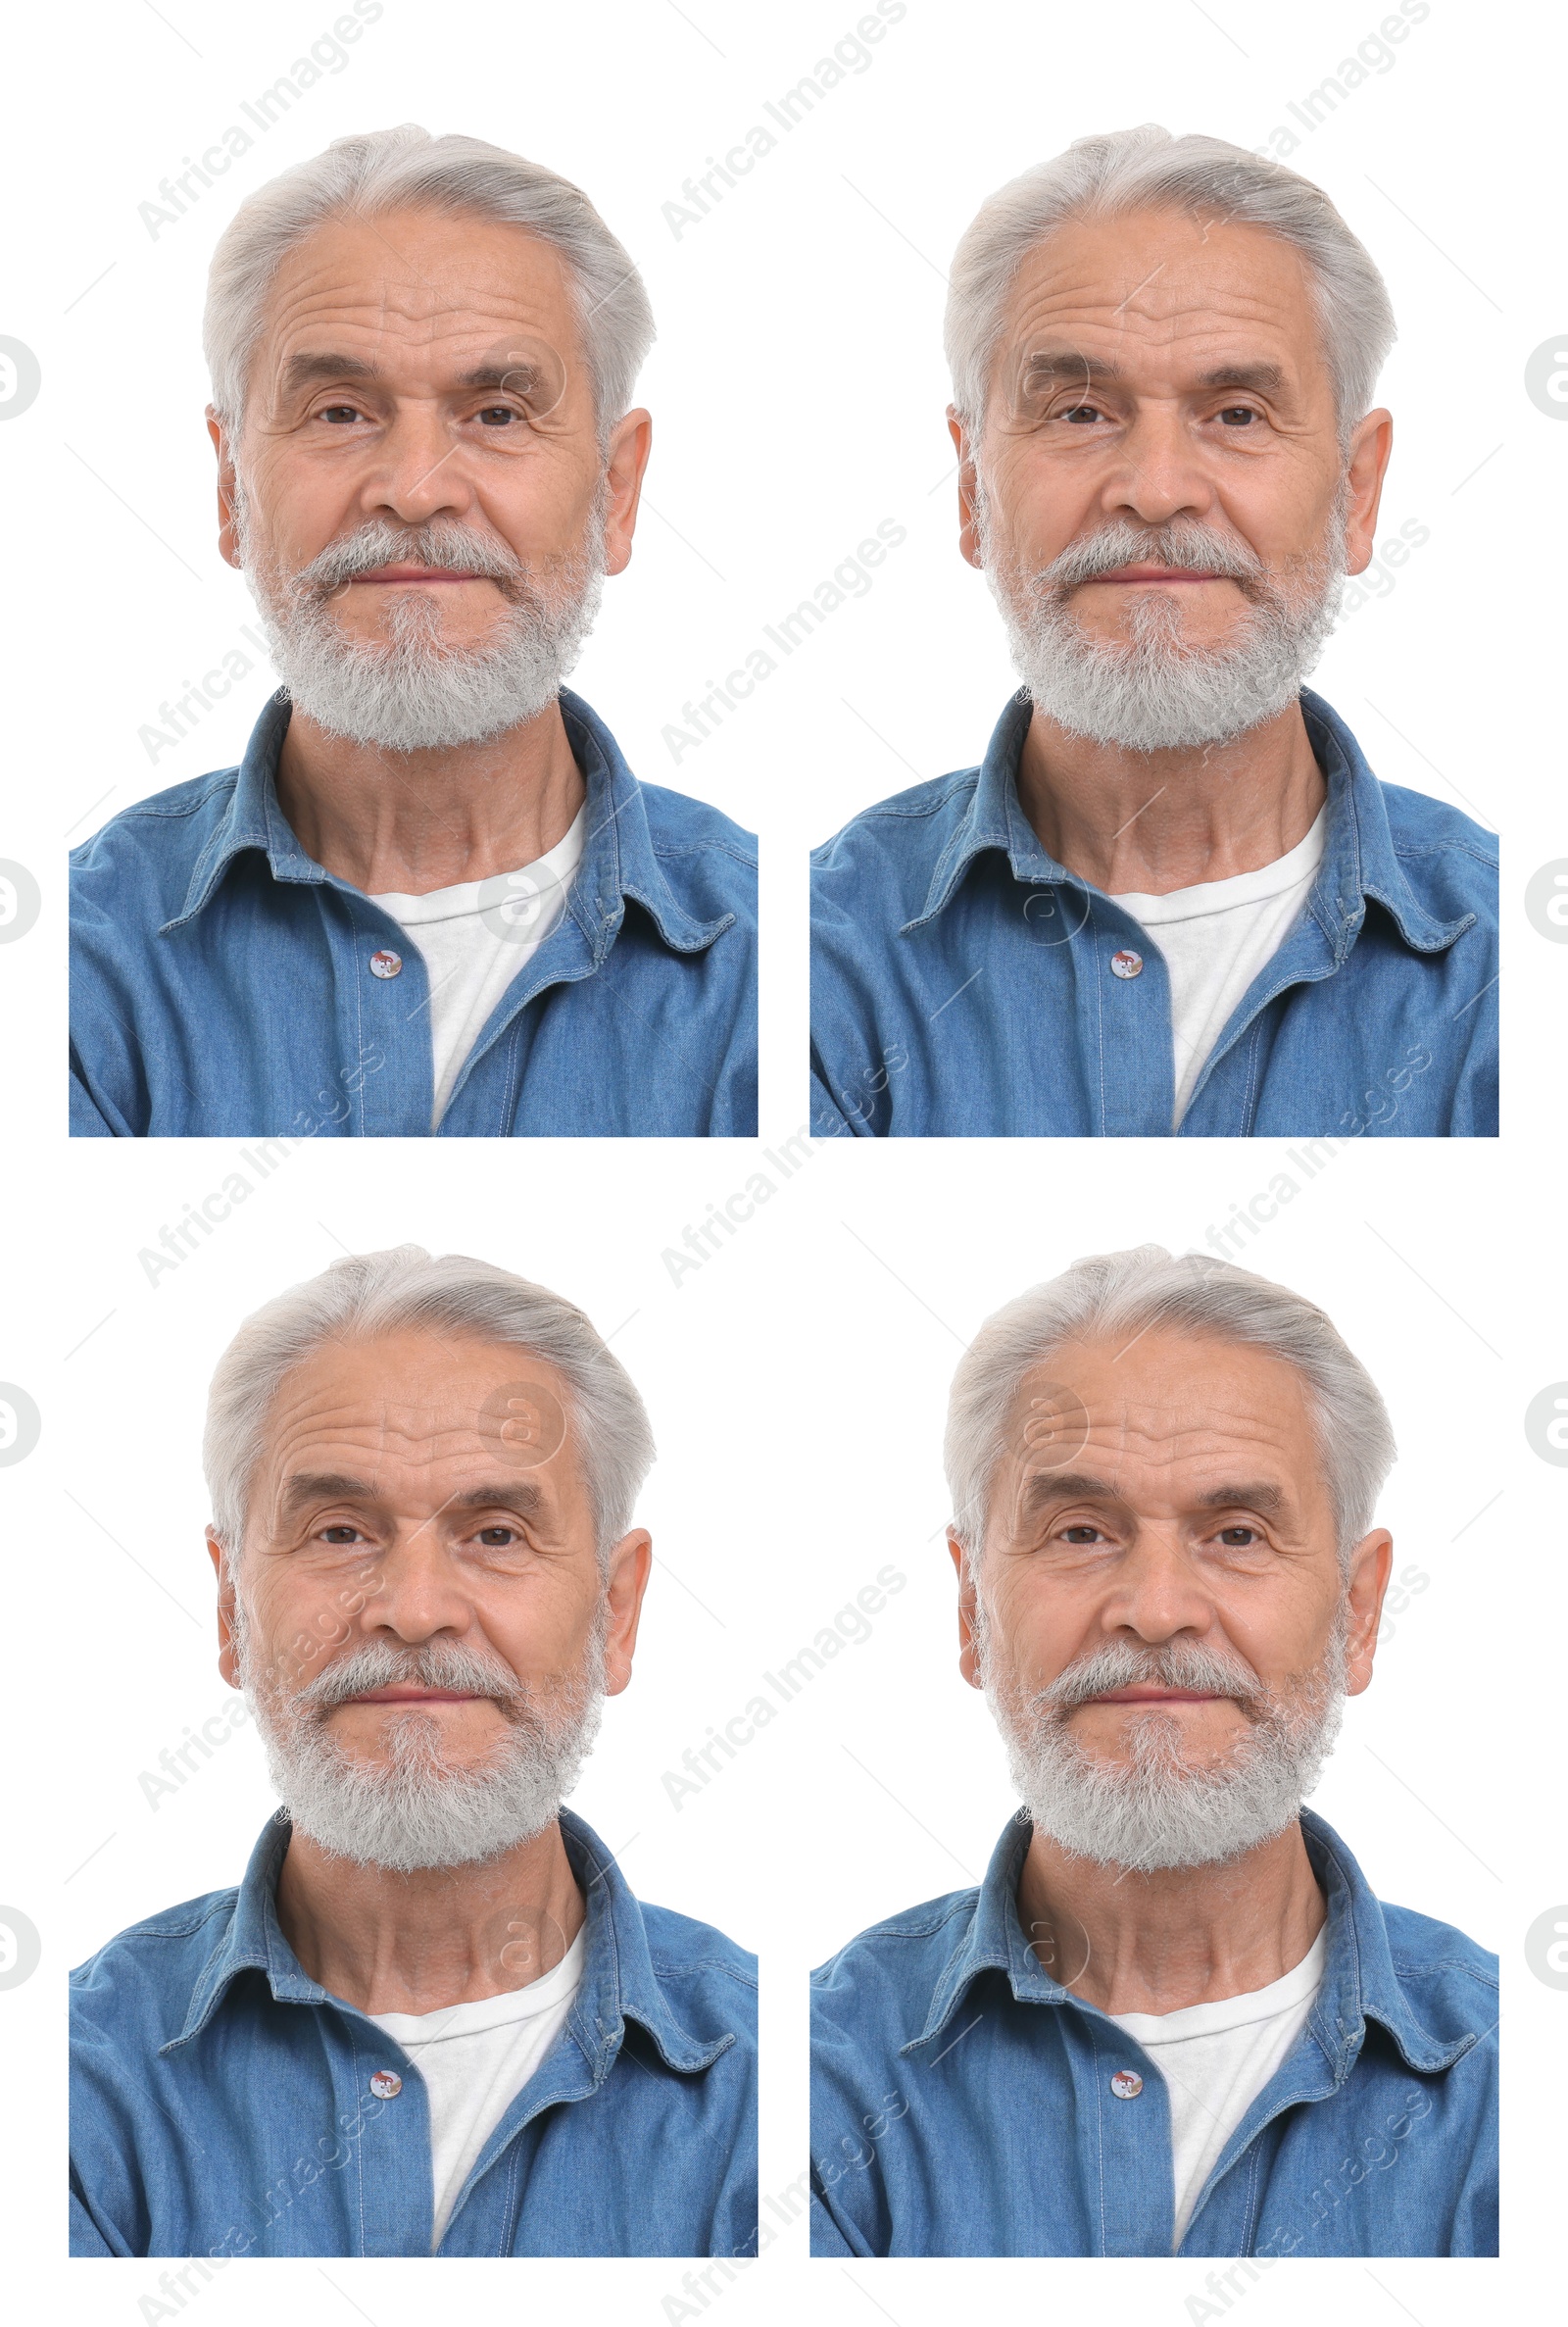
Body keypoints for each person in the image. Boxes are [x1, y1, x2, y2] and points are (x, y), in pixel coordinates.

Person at [72, 1248, 758, 2257]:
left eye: (496, 1533)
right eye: (341, 1531)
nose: (416, 1610)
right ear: (230, 1606)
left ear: (616, 1608)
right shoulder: (65, 2089)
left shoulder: (785, 2085)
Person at [72, 126, 757, 1137]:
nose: (416, 490)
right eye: (341, 411)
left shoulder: (780, 957)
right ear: (230, 486)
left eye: (498, 412)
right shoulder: (73, 969)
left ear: (616, 488)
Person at [810, 126, 1495, 1137]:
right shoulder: (813, 959)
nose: (1158, 491)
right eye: (1081, 411)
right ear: (971, 486)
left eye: (1238, 413)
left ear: (1356, 487)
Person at [810, 1246, 1495, 2255]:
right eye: (1082, 1531)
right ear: (971, 1606)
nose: (1158, 1611)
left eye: (1238, 1533)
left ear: (1357, 1607)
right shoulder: (812, 2083)